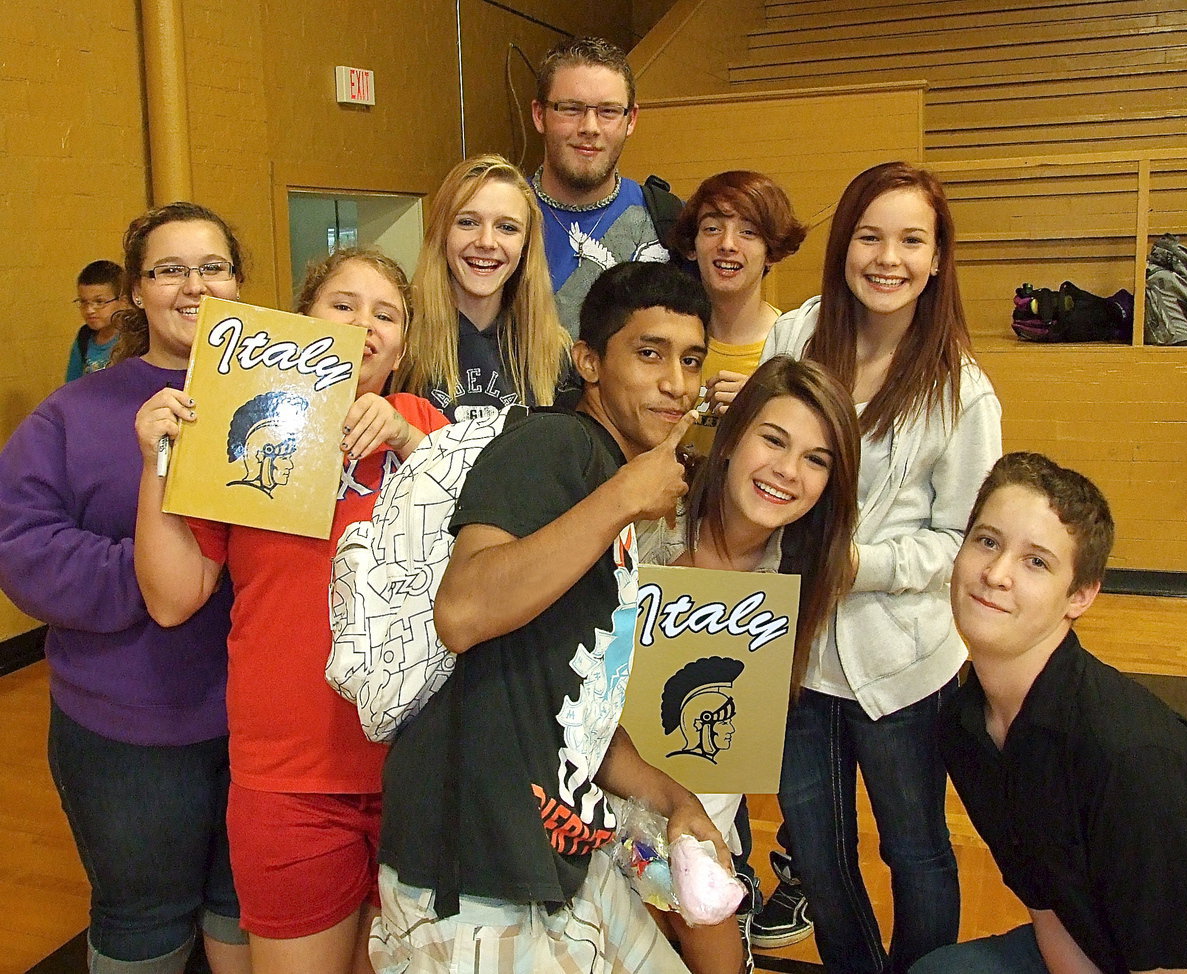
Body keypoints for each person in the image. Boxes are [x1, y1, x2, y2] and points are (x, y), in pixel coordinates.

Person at [371, 260, 729, 974]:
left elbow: (580, 709)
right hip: (473, 877)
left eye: (691, 360)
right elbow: (463, 609)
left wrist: (671, 795)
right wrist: (625, 496)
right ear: (589, 361)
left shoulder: (607, 490)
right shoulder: (555, 445)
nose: (676, 383)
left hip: (557, 855)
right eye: (649, 352)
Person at [133, 248, 448, 974]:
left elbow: (487, 557)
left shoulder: (424, 425)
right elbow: (174, 597)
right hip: (290, 777)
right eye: (343, 304)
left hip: (420, 771)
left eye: (385, 313)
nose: (364, 323)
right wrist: (158, 462)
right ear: (303, 321)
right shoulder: (241, 424)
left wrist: (409, 439)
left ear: (401, 346)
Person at [759, 161, 1003, 973]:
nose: (888, 258)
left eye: (911, 241)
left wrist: (853, 562)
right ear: (844, 245)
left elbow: (960, 539)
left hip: (901, 662)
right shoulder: (796, 336)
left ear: (938, 259)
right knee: (820, 862)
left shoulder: (963, 391)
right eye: (870, 236)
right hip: (792, 656)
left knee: (916, 850)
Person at [0, 202, 249, 974]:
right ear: (136, 292)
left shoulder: (285, 400)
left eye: (212, 266)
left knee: (244, 912)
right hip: (131, 731)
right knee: (146, 923)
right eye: (168, 269)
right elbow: (22, 546)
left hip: (262, 720)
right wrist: (150, 573)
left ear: (238, 283)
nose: (193, 285)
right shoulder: (73, 414)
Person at [910, 453, 1187, 974]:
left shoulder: (1127, 758)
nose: (996, 574)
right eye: (987, 541)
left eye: (1036, 561)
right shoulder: (965, 724)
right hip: (1093, 944)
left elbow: (1176, 963)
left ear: (1081, 596)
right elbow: (1047, 900)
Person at [639, 355, 860, 974]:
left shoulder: (801, 569)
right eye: (774, 439)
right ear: (732, 438)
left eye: (817, 459)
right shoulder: (651, 521)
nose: (788, 472)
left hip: (697, 840)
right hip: (595, 821)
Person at [531, 36, 685, 337]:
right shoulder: (499, 221)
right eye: (571, 109)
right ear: (540, 115)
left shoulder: (668, 222)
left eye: (609, 111)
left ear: (631, 120)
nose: (589, 127)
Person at [400, 153, 569, 422]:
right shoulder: (402, 339)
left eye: (507, 227)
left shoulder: (554, 351)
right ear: (442, 232)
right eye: (468, 222)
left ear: (526, 245)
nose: (487, 242)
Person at [670, 171, 807, 401]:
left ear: (771, 252)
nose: (727, 244)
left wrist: (760, 407)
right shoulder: (667, 339)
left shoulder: (795, 345)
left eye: (748, 232)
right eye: (712, 228)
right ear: (692, 246)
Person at [66, 258, 129, 381]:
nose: (90, 310)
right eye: (84, 302)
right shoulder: (83, 339)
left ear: (123, 302)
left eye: (99, 302)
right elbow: (72, 387)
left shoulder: (136, 340)